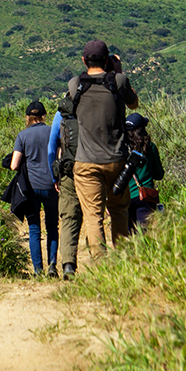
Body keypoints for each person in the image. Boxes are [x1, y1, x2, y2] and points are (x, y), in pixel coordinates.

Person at [66, 40, 138, 256]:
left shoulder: (75, 84)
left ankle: (101, 266)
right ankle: (122, 262)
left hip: (86, 162)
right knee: (119, 212)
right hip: (117, 161)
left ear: (83, 60)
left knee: (93, 215)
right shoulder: (119, 81)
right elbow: (133, 104)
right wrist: (118, 71)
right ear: (107, 58)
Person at [9, 100, 58, 276]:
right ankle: (53, 266)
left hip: (31, 188)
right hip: (52, 186)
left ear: (28, 117)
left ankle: (38, 270)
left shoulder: (22, 136)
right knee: (52, 226)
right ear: (43, 116)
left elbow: (14, 165)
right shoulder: (53, 131)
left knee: (35, 228)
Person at [47, 94, 83, 279]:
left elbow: (51, 147)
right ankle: (100, 263)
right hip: (91, 169)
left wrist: (54, 174)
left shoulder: (61, 115)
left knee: (69, 217)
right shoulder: (91, 109)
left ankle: (68, 265)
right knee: (94, 216)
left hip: (68, 169)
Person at [122, 112, 165, 230]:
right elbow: (159, 174)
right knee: (145, 234)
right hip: (146, 197)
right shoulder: (150, 148)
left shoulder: (122, 150)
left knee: (129, 236)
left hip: (126, 198)